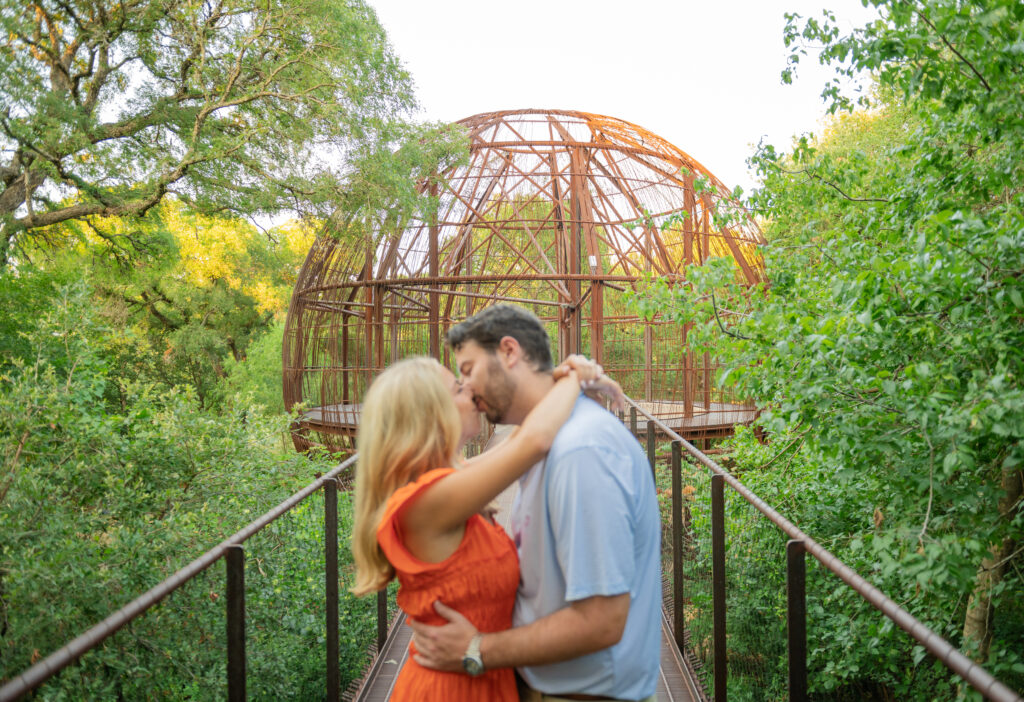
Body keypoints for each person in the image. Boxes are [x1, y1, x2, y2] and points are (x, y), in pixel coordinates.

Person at [410, 304, 662, 702]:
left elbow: (601, 622)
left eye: (468, 369)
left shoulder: (581, 451)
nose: (468, 388)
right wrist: (571, 378)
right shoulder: (544, 440)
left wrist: (478, 649)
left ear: (509, 352)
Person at [351, 354, 620, 701]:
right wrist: (575, 378)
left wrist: (554, 377)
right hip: (451, 690)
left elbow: (517, 438)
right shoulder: (427, 502)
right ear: (433, 415)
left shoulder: (448, 484)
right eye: (459, 389)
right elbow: (534, 441)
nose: (474, 393)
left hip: (482, 678)